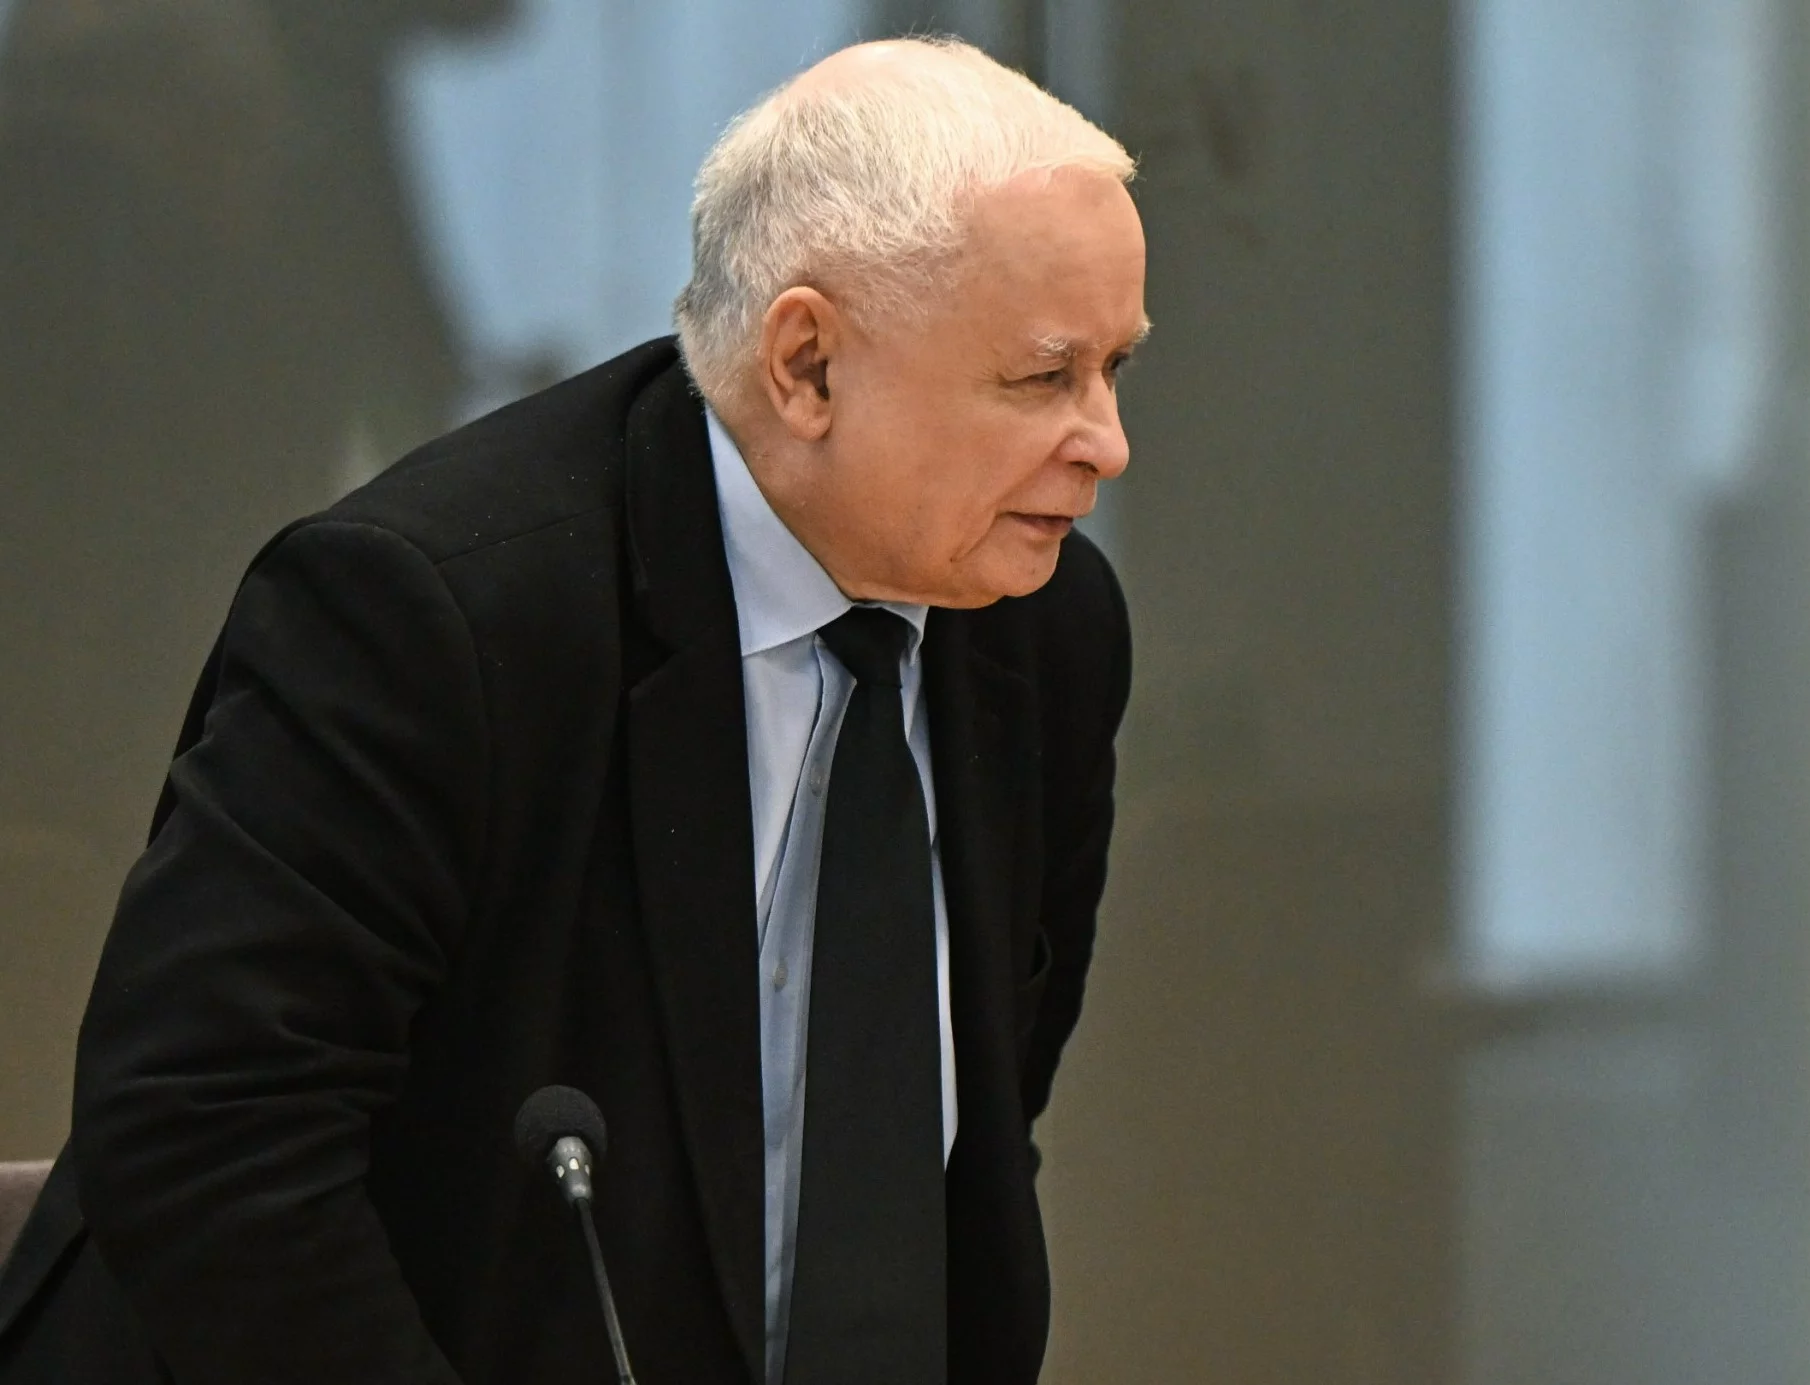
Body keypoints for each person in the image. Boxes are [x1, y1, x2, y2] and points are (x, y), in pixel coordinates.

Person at [0, 35, 1145, 1385]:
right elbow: (209, 1131)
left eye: (1115, 371)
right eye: (1042, 380)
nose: (1106, 443)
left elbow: (964, 1117)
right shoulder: (434, 613)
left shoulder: (1041, 629)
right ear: (808, 367)